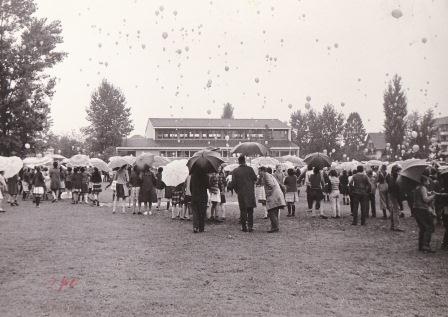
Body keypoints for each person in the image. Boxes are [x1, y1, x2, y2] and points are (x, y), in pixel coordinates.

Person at [231, 155, 258, 232]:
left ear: (239, 161)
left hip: (241, 193)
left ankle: (244, 227)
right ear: (245, 161)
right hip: (250, 192)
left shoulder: (235, 171)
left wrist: (237, 191)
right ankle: (250, 226)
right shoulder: (250, 169)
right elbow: (255, 179)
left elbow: (233, 183)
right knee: (250, 210)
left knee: (243, 210)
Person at [412, 175, 436, 253]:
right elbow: (425, 199)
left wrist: (429, 193)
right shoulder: (423, 188)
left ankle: (421, 245)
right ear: (424, 181)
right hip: (422, 209)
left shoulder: (417, 187)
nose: (428, 183)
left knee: (422, 227)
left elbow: (422, 195)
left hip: (416, 209)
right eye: (427, 181)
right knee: (429, 227)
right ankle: (426, 246)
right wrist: (433, 196)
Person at [259, 166, 286, 232]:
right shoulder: (269, 175)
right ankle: (275, 226)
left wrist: (268, 193)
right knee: (275, 211)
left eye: (259, 171)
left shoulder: (266, 175)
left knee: (271, 211)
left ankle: (275, 227)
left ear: (262, 171)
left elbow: (271, 185)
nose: (258, 173)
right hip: (277, 194)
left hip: (273, 195)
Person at [190, 167, 210, 233]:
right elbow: (208, 186)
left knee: (195, 212)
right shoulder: (206, 176)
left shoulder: (192, 176)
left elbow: (190, 187)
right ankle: (201, 228)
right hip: (203, 196)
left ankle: (195, 227)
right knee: (202, 212)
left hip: (194, 196)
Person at [387, 165, 404, 232]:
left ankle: (393, 225)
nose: (400, 172)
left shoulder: (392, 178)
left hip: (392, 195)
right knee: (396, 211)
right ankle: (397, 226)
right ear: (396, 171)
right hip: (394, 196)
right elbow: (395, 188)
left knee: (393, 211)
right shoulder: (395, 179)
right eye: (399, 171)